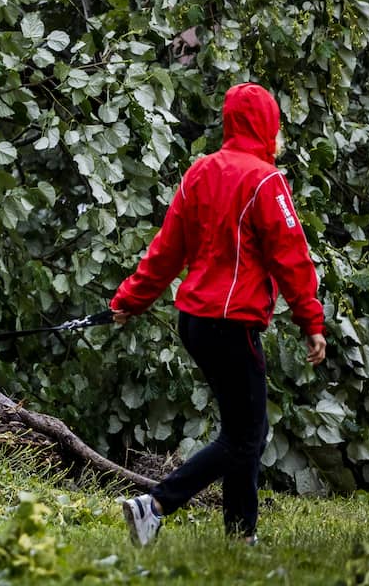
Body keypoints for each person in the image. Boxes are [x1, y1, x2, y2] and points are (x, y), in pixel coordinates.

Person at [110, 82, 327, 547]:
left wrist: (128, 300)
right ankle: (156, 504)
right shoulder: (265, 181)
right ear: (268, 127)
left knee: (242, 430)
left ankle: (238, 539)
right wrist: (311, 322)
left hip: (195, 322)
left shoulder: (199, 172)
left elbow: (165, 253)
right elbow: (293, 258)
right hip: (233, 326)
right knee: (248, 434)